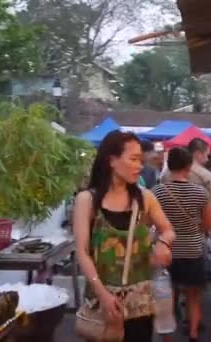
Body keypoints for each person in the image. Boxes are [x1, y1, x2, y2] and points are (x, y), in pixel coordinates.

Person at [73, 130, 175, 342]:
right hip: (101, 303)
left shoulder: (145, 198)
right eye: (134, 159)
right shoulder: (87, 200)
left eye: (141, 160)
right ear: (112, 160)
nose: (140, 166)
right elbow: (82, 252)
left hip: (139, 305)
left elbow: (168, 229)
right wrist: (102, 293)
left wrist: (164, 243)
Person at [153, 147, 211, 342]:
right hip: (193, 250)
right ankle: (194, 333)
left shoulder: (158, 192)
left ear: (169, 165)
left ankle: (168, 337)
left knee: (167, 296)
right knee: (193, 296)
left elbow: (152, 222)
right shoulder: (200, 192)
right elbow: (208, 225)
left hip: (167, 250)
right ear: (189, 166)